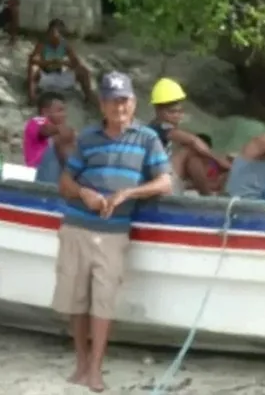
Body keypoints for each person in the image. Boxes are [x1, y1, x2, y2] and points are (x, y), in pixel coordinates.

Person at [54, 71, 173, 392]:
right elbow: (65, 182)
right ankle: (80, 364)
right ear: (103, 106)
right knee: (75, 300)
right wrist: (84, 194)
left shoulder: (147, 138)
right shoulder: (89, 137)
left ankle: (95, 369)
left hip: (115, 231)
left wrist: (127, 194)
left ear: (133, 103)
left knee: (103, 302)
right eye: (112, 101)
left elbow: (165, 181)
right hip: (77, 224)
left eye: (124, 100)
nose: (119, 107)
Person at [148, 77, 231, 195]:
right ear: (158, 110)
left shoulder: (159, 127)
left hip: (162, 175)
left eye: (179, 111)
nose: (177, 116)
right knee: (189, 150)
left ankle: (206, 191)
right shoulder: (161, 127)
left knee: (193, 159)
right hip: (158, 179)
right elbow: (193, 141)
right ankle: (207, 195)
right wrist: (219, 161)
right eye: (172, 112)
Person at [27, 19, 95, 106]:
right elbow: (32, 60)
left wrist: (63, 63)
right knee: (33, 68)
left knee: (83, 71)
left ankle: (88, 97)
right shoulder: (43, 43)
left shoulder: (65, 44)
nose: (53, 35)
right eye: (51, 32)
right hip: (46, 76)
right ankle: (32, 98)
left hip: (60, 76)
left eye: (56, 33)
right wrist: (47, 63)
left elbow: (76, 63)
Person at [23, 92, 72, 168]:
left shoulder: (57, 130)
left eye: (64, 110)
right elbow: (45, 130)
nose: (64, 114)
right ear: (45, 112)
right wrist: (63, 130)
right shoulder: (36, 121)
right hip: (36, 172)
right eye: (60, 110)